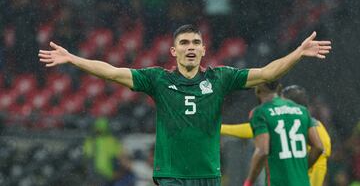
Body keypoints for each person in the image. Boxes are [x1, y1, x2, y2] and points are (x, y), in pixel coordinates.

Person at [39, 24, 331, 186]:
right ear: (174, 50)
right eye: (184, 43)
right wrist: (74, 59)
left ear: (203, 49)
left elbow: (268, 74)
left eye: (195, 42)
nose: (190, 47)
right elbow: (113, 72)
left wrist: (298, 53)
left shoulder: (221, 78)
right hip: (171, 175)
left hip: (208, 176)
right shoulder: (157, 79)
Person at [221, 85, 331, 186]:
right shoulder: (315, 125)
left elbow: (253, 132)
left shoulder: (287, 120)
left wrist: (221, 129)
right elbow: (321, 149)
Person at [83, 117, 134, 186]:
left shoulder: (90, 141)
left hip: (98, 175)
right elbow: (122, 157)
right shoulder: (111, 140)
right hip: (106, 174)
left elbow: (87, 159)